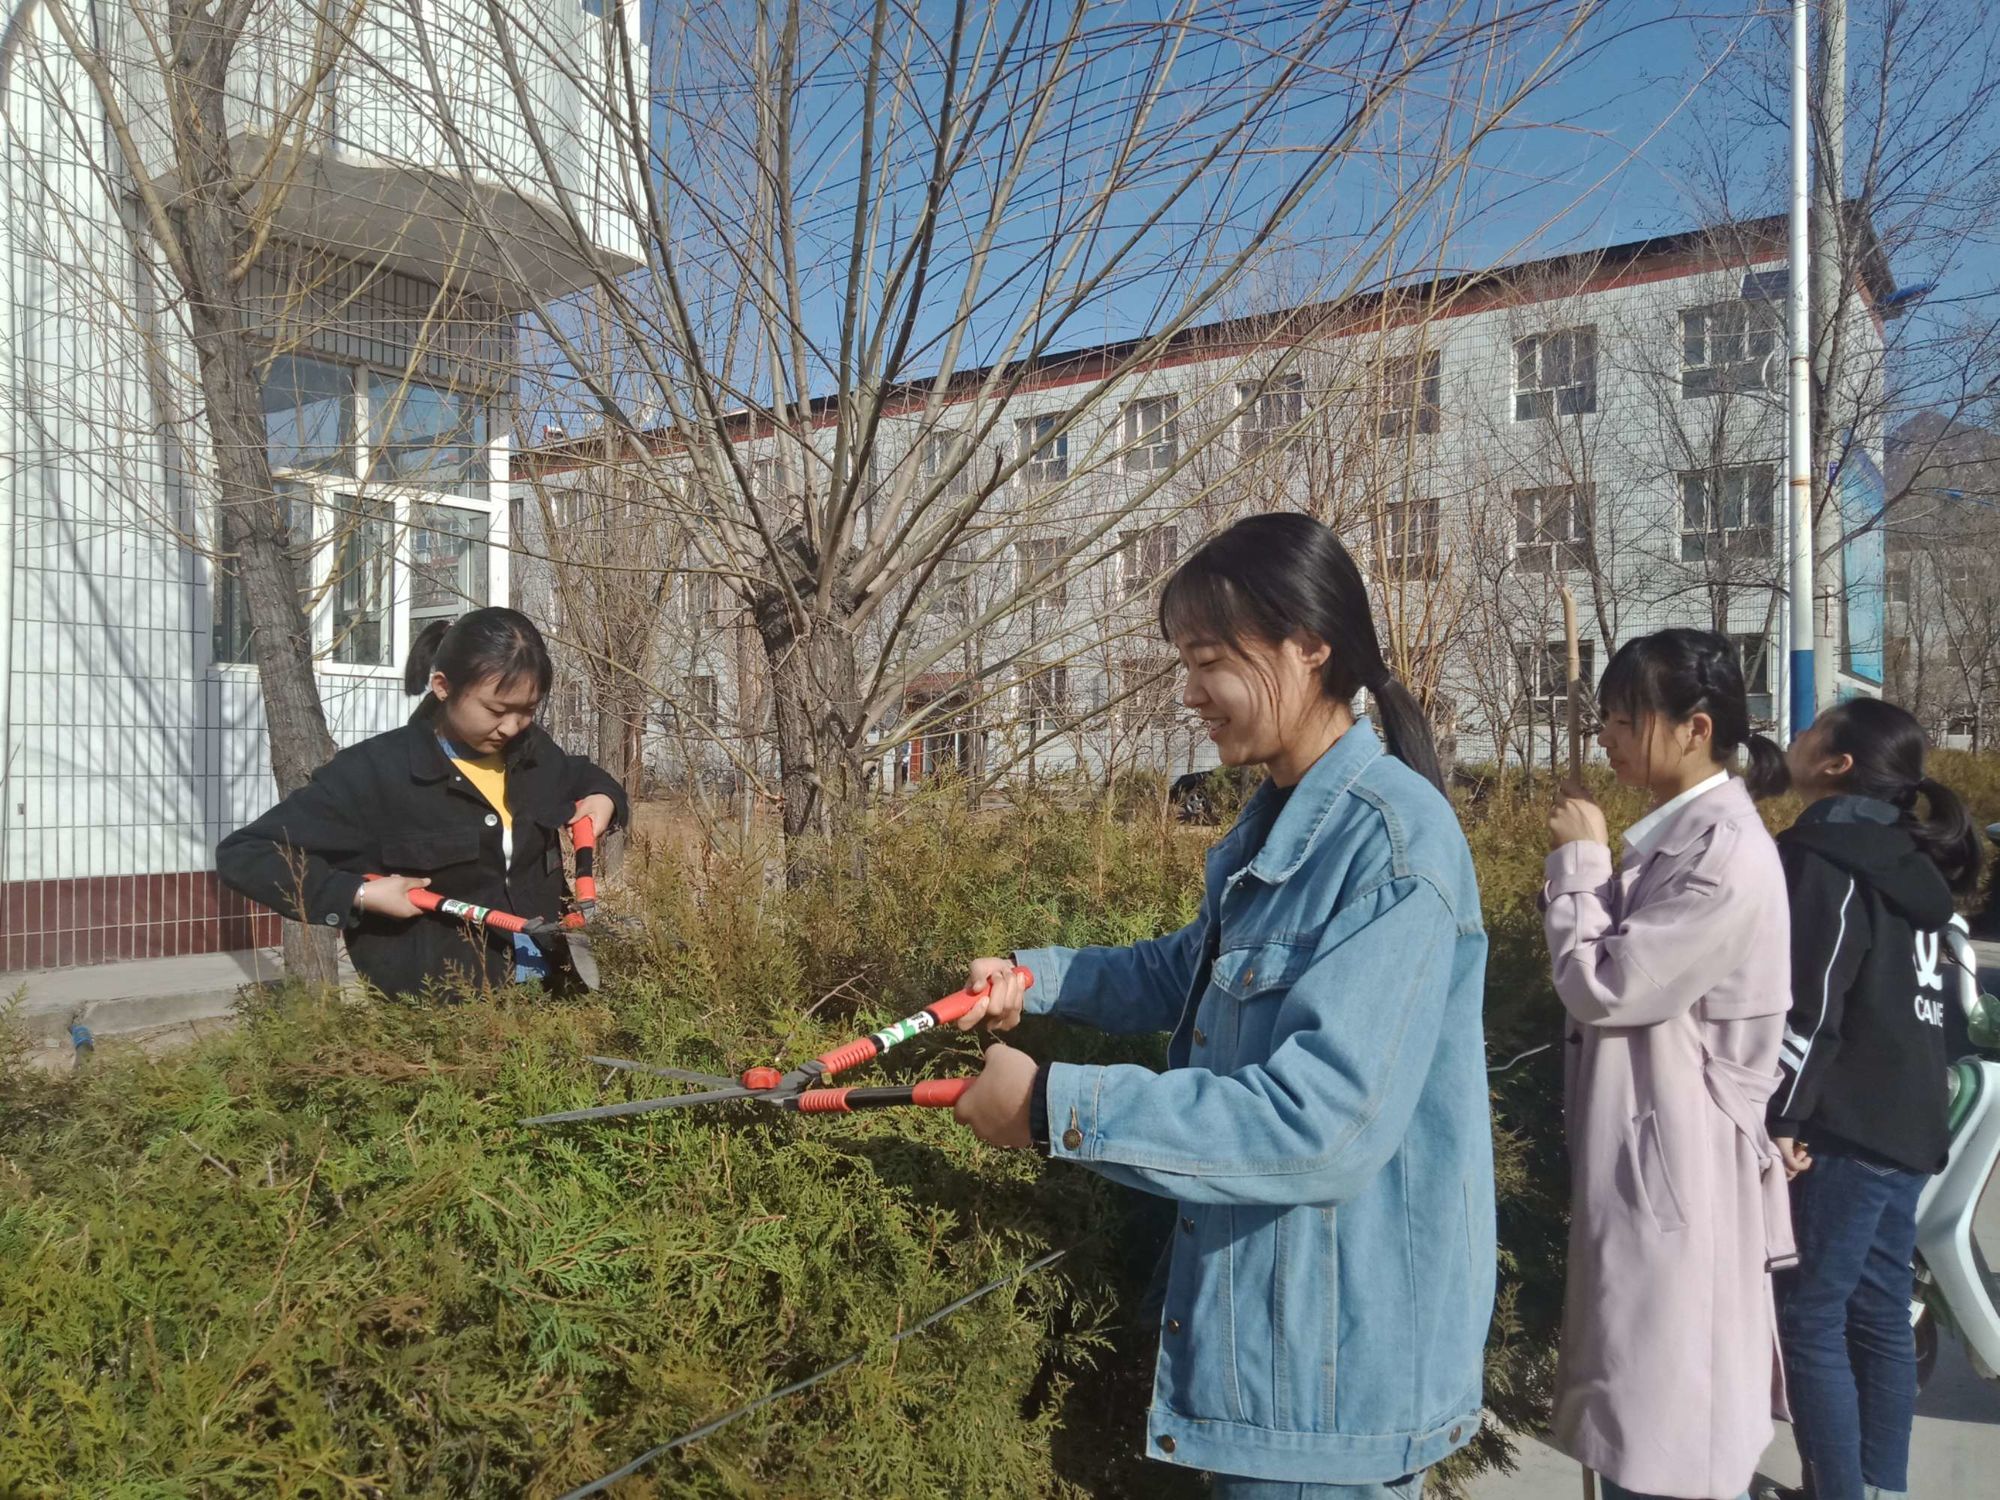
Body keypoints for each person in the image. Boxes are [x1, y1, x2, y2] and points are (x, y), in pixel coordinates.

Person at [949, 512, 1493, 1499]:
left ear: (1309, 647)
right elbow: (1188, 973)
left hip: (1326, 1388)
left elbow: (1320, 1126)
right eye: (1184, 663)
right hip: (1271, 1357)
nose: (1190, 693)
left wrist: (1046, 1109)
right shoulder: (1279, 817)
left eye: (1209, 660)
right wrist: (1037, 981)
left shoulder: (1389, 848)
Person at [1541, 628, 1795, 1500]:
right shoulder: (1682, 841)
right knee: (1641, 1428)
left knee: (1667, 1441)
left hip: (1683, 1171)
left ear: (1693, 728)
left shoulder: (1723, 857)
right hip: (1658, 1159)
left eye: (1621, 719)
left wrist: (1578, 864)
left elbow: (1605, 985)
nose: (1606, 738)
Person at [1765, 699, 1985, 1500]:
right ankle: (1879, 1488)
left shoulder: (1829, 856)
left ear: (1838, 763)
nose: (1797, 735)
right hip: (1905, 1126)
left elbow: (1813, 1001)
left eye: (1813, 728)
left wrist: (1781, 1117)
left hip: (1844, 1128)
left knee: (1812, 1319)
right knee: (1880, 1313)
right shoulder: (1906, 862)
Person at [217, 608, 626, 998]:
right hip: (441, 1011)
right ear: (444, 687)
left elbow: (579, 774)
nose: (511, 727)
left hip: (551, 991)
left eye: (527, 711)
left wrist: (603, 796)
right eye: (496, 710)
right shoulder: (375, 772)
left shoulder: (533, 751)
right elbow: (246, 854)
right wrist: (357, 893)